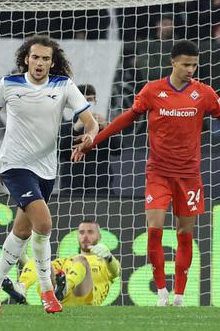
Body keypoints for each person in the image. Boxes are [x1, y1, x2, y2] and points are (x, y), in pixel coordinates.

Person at [74, 40, 220, 306]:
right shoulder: (153, 91)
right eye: (186, 64)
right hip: (159, 173)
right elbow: (127, 118)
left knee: (184, 233)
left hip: (189, 176)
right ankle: (162, 293)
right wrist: (93, 140)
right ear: (172, 62)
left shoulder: (204, 93)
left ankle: (179, 296)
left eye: (194, 65)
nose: (190, 69)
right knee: (155, 229)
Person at [0, 36, 97, 315]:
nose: (40, 63)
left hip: (46, 169)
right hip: (15, 165)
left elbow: (91, 123)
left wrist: (89, 138)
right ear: (26, 59)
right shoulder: (8, 85)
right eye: (36, 57)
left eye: (46, 59)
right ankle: (47, 290)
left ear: (52, 62)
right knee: (44, 225)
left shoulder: (63, 86)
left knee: (22, 230)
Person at [17, 221, 120, 306]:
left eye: (90, 232)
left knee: (81, 261)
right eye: (82, 232)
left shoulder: (104, 260)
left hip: (84, 298)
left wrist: (109, 257)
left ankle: (65, 288)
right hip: (60, 298)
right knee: (41, 259)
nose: (85, 236)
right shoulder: (66, 260)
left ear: (99, 236)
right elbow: (43, 268)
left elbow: (115, 272)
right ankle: (21, 287)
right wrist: (23, 257)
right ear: (78, 236)